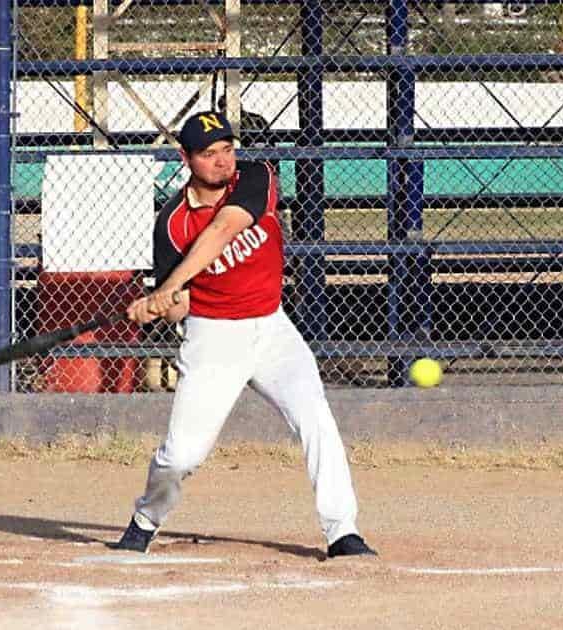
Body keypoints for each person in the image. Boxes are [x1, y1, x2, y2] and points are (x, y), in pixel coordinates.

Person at [112, 111, 377, 559]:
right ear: (186, 158)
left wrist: (170, 285)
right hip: (215, 338)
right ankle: (146, 518)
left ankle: (342, 531)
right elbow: (185, 303)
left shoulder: (256, 176)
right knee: (182, 456)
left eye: (227, 149)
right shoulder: (172, 225)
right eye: (209, 154)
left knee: (316, 418)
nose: (222, 161)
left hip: (273, 329)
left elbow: (224, 229)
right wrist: (159, 305)